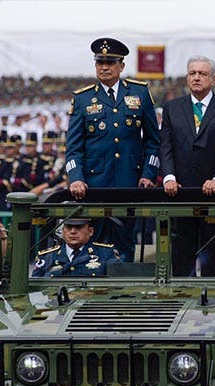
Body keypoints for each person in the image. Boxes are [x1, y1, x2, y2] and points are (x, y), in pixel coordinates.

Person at [65, 37, 161, 262]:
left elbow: (153, 141)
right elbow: (73, 147)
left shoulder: (139, 93)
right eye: (100, 63)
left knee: (124, 245)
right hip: (93, 185)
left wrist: (148, 174)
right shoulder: (83, 99)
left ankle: (124, 284)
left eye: (110, 63)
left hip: (130, 181)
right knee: (93, 245)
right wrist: (75, 178)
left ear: (122, 66)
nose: (105, 67)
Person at [158, 55, 215, 276]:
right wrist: (169, 177)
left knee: (214, 254)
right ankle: (180, 294)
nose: (196, 78)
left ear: (214, 79)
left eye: (202, 73)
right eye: (192, 73)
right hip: (180, 193)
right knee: (181, 253)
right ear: (187, 78)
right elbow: (165, 146)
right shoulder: (172, 108)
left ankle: (214, 296)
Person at [32, 218, 120, 277]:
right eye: (68, 227)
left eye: (79, 227)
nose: (73, 232)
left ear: (90, 231)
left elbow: (117, 286)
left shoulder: (106, 254)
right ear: (63, 231)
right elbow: (34, 289)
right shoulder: (46, 257)